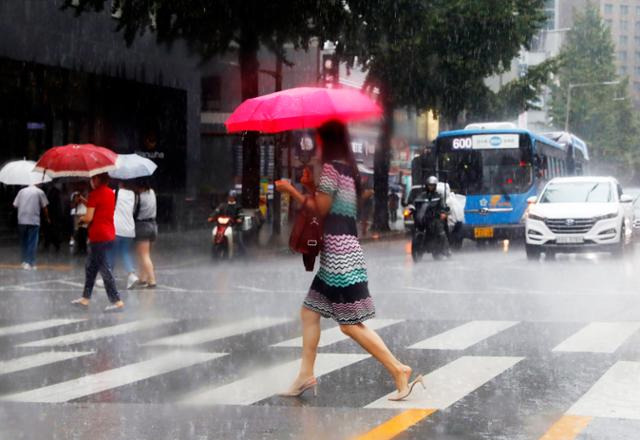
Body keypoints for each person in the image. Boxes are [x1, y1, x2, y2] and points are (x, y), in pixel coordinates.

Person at [275, 120, 422, 401]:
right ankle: (305, 375)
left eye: (318, 139)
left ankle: (397, 369)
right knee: (309, 313)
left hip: (339, 255)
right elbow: (332, 206)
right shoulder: (346, 169)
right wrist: (310, 185)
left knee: (350, 324)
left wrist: (293, 191)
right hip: (340, 250)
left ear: (326, 141)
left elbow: (320, 208)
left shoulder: (332, 168)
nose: (316, 145)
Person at [71, 173, 124, 312]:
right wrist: (84, 200)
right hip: (108, 234)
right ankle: (85, 299)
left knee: (104, 269)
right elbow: (99, 208)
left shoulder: (95, 194)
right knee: (91, 268)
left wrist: (81, 219)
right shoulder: (111, 193)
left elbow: (89, 217)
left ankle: (116, 301)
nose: (91, 181)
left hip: (98, 236)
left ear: (98, 179)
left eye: (93, 178)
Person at [99, 181, 139, 289]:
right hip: (129, 229)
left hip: (116, 228)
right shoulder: (134, 195)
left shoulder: (114, 192)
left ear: (120, 182)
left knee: (110, 253)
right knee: (125, 252)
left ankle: (107, 279)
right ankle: (131, 274)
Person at [13, 183, 49, 270]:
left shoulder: (21, 191)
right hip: (33, 220)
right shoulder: (39, 192)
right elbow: (45, 207)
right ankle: (30, 262)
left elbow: (15, 205)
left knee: (24, 242)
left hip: (22, 220)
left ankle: (24, 261)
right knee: (32, 242)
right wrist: (47, 217)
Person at [132, 178, 157, 288]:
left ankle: (151, 280)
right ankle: (142, 278)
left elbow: (134, 212)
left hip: (142, 226)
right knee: (143, 254)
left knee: (144, 255)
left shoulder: (138, 197)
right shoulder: (152, 192)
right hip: (153, 225)